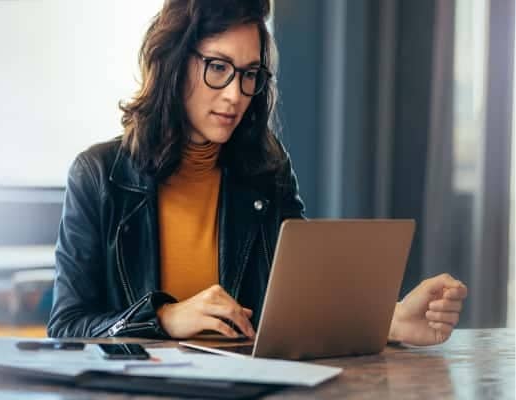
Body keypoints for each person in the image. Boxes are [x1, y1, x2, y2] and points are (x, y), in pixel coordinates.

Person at [47, 0, 467, 346]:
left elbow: (303, 302)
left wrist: (389, 320)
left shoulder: (267, 170)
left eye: (249, 74)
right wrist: (164, 317)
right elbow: (66, 328)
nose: (235, 94)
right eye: (217, 67)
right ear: (173, 65)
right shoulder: (98, 176)